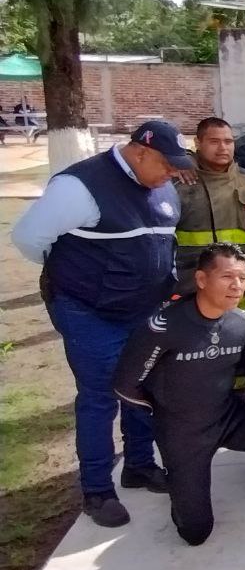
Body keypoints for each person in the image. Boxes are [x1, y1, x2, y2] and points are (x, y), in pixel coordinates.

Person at [11, 120, 190, 526]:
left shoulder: (161, 185)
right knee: (100, 395)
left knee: (142, 387)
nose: (172, 173)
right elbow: (28, 238)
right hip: (88, 310)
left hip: (143, 307)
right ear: (140, 151)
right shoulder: (79, 186)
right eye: (166, 164)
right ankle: (96, 490)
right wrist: (78, 275)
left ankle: (139, 465)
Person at [114, 243, 245, 551]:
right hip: (182, 433)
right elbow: (125, 385)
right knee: (195, 533)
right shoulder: (164, 325)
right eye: (227, 277)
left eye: (243, 278)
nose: (237, 286)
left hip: (228, 416)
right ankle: (182, 492)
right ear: (202, 280)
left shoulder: (243, 323)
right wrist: (161, 411)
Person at [174, 117, 245, 304]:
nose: (223, 148)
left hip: (242, 289)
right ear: (198, 143)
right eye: (214, 141)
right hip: (191, 286)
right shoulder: (179, 182)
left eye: (228, 141)